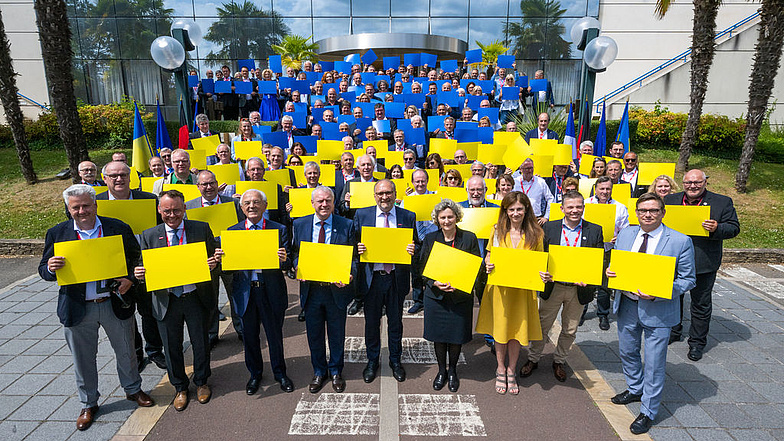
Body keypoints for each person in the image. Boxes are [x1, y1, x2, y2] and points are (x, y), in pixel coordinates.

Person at [40, 184, 154, 431]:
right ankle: (89, 402)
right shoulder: (57, 233)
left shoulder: (117, 228)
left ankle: (133, 389)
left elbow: (137, 259)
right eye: (75, 207)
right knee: (83, 359)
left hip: (114, 302)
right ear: (68, 209)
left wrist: (130, 280)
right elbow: (43, 271)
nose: (81, 211)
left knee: (126, 351)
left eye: (85, 205)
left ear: (95, 205)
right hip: (77, 307)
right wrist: (50, 267)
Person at [607, 193, 696, 435]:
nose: (648, 214)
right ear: (636, 213)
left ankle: (648, 410)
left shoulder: (679, 241)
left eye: (654, 210)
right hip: (627, 304)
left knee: (655, 363)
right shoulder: (626, 233)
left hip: (658, 309)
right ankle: (635, 388)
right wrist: (611, 271)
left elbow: (688, 279)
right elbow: (618, 264)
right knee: (627, 351)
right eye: (643, 210)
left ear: (663, 213)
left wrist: (659, 292)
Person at [134, 190, 223, 411]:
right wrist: (139, 274)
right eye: (167, 211)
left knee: (200, 342)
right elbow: (142, 265)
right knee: (171, 346)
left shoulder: (200, 229)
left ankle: (202, 381)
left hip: (195, 297)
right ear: (159, 210)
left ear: (185, 209)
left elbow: (214, 259)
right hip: (166, 300)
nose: (172, 215)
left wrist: (214, 263)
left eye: (176, 210)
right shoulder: (149, 235)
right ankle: (180, 387)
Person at [522, 191, 604, 383]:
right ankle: (533, 358)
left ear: (584, 207)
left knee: (570, 329)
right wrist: (542, 272)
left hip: (579, 289)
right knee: (542, 326)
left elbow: (599, 260)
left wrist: (590, 278)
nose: (575, 211)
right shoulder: (549, 228)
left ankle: (559, 360)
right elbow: (539, 255)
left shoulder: (595, 230)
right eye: (570, 207)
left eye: (578, 207)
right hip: (553, 286)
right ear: (562, 209)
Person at [664, 169, 740, 360]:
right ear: (683, 183)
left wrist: (717, 228)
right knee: (673, 299)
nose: (692, 186)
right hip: (672, 261)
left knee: (700, 304)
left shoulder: (722, 202)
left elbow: (734, 228)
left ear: (705, 182)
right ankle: (674, 330)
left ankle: (697, 343)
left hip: (703, 262)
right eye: (688, 182)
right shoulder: (670, 200)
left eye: (697, 182)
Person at [96, 162, 164, 369]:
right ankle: (135, 352)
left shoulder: (149, 200)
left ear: (130, 177)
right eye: (113, 175)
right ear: (105, 178)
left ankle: (154, 350)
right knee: (124, 312)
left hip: (144, 263)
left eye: (123, 174)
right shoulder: (96, 202)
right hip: (114, 266)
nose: (119, 179)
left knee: (149, 310)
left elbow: (160, 230)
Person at [227, 189, 294, 395]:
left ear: (265, 206)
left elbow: (290, 262)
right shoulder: (232, 232)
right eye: (247, 203)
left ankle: (280, 372)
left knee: (274, 335)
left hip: (270, 290)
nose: (251, 206)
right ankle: (255, 374)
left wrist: (284, 260)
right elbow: (228, 268)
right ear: (241, 207)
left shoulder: (278, 229)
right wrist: (222, 258)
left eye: (256, 202)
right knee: (250, 336)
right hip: (246, 292)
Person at [476, 191, 544, 395]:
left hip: (523, 291)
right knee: (501, 331)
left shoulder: (537, 233)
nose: (516, 213)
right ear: (505, 211)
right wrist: (488, 264)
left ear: (526, 210)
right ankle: (500, 367)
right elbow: (489, 255)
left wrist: (544, 274)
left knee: (517, 331)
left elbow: (540, 261)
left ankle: (511, 369)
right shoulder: (497, 230)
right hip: (500, 290)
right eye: (511, 209)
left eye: (519, 209)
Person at [292, 186, 357, 393]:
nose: (324, 204)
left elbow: (354, 257)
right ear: (312, 203)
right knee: (314, 334)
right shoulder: (299, 224)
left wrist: (350, 274)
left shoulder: (346, 225)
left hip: (336, 290)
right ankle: (319, 371)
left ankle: (336, 370)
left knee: (337, 334)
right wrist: (297, 266)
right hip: (311, 290)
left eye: (328, 200)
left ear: (333, 202)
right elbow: (295, 252)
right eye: (319, 201)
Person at [355, 180, 417, 384]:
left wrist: (412, 250)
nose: (384, 197)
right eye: (380, 193)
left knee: (395, 323)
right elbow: (352, 246)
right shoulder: (362, 215)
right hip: (372, 279)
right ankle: (372, 361)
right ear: (374, 196)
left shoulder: (408, 216)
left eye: (388, 193)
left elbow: (414, 243)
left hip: (395, 279)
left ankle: (395, 360)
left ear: (395, 194)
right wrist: (358, 250)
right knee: (371, 324)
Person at [420, 199, 481, 392]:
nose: (446, 221)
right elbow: (422, 268)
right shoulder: (430, 238)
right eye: (443, 217)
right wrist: (434, 283)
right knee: (439, 337)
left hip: (459, 297)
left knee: (455, 337)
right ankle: (441, 371)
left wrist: (462, 283)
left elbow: (476, 266)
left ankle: (453, 370)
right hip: (436, 297)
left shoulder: (469, 238)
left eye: (450, 217)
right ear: (437, 220)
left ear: (457, 217)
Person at [185, 170, 246, 345]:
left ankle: (241, 328)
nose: (209, 187)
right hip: (205, 260)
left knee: (235, 295)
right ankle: (211, 333)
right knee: (208, 297)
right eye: (204, 184)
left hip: (230, 257)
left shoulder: (233, 204)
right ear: (198, 186)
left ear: (217, 183)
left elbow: (242, 228)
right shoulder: (190, 207)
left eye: (212, 183)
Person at [584, 176, 630, 330]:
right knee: (585, 281)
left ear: (612, 189)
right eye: (602, 188)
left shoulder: (620, 207)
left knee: (605, 284)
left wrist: (620, 237)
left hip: (609, 249)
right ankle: (581, 312)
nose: (604, 191)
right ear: (596, 188)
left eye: (608, 189)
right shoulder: (585, 204)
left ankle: (603, 314)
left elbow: (626, 229)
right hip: (589, 248)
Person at [512, 158, 553, 225]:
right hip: (518, 219)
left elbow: (550, 199)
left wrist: (546, 216)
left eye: (531, 168)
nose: (530, 171)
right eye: (527, 168)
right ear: (521, 169)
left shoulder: (540, 182)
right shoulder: (515, 182)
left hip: (535, 219)